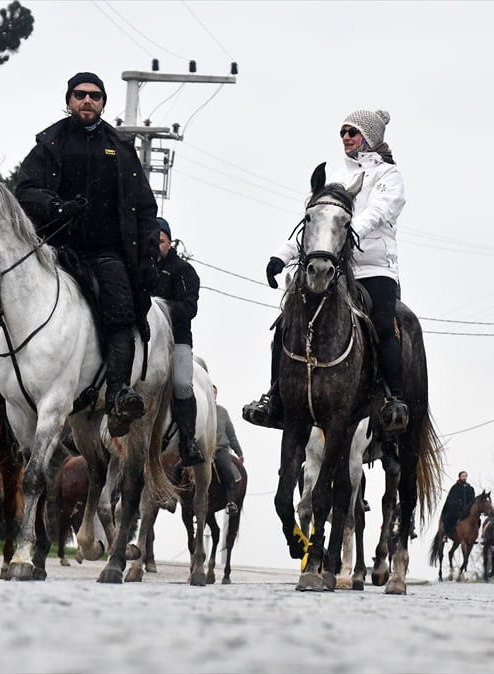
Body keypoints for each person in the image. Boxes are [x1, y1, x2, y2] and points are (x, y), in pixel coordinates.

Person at [15, 71, 162, 443]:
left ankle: (117, 394)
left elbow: (145, 207)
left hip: (106, 253)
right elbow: (25, 190)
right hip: (53, 251)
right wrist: (56, 207)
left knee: (121, 314)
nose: (87, 101)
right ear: (68, 100)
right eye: (80, 95)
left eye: (95, 96)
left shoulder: (121, 148)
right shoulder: (50, 143)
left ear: (103, 103)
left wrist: (146, 258)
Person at [242, 109, 408, 433]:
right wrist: (281, 255)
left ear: (370, 138)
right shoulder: (337, 181)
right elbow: (314, 228)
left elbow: (377, 212)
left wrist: (349, 229)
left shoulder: (389, 176)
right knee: (286, 320)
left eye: (353, 132)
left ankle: (394, 397)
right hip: (335, 269)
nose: (346, 137)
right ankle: (275, 397)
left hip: (375, 268)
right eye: (343, 132)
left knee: (384, 324)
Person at [149, 217, 203, 467]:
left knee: (182, 384)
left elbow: (189, 308)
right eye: (152, 240)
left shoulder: (184, 271)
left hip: (176, 340)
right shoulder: (139, 267)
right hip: (143, 339)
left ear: (169, 242)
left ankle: (188, 441)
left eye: (160, 241)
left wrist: (158, 310)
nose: (155, 245)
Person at [211, 385, 243, 514]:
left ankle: (231, 501)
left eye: (214, 392)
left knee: (227, 470)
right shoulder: (198, 410)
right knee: (178, 468)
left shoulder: (222, 412)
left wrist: (239, 452)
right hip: (201, 450)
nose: (211, 394)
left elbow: (231, 434)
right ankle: (172, 498)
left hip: (220, 449)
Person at [440, 471, 475, 537]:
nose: (464, 477)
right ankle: (446, 533)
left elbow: (472, 498)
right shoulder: (455, 487)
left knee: (476, 519)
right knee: (451, 517)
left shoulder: (470, 488)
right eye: (463, 476)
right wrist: (457, 502)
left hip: (467, 508)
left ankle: (472, 535)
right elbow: (451, 498)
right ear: (459, 477)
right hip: (457, 508)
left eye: (465, 476)